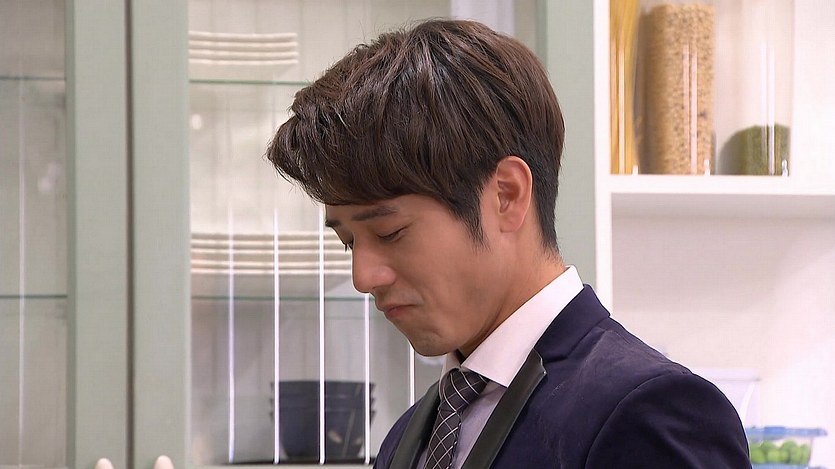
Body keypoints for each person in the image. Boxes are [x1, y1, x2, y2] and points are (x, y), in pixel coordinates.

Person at [266, 18, 750, 469]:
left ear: (506, 195)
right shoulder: (406, 438)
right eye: (348, 242)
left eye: (390, 232)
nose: (363, 277)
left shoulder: (647, 410)